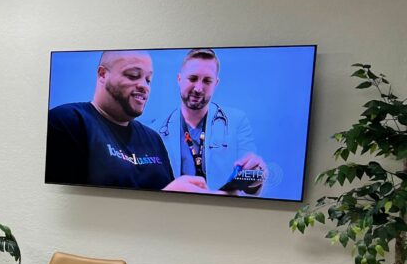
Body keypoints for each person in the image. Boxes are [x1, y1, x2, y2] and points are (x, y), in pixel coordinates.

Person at [46, 50, 208, 192]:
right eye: (133, 76)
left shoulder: (153, 139)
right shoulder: (67, 123)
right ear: (103, 74)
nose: (144, 86)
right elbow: (69, 207)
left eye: (148, 80)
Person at [152, 49, 265, 194]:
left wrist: (256, 176)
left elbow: (250, 181)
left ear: (216, 83)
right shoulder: (155, 131)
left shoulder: (237, 122)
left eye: (207, 81)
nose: (198, 88)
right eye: (192, 78)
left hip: (223, 211)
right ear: (179, 79)